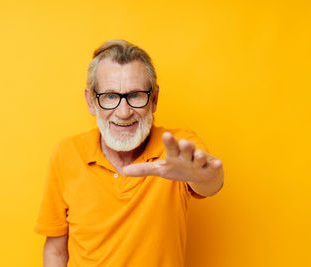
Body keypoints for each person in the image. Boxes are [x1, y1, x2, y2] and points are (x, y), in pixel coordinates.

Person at [35, 39, 224, 267]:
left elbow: (209, 181)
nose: (124, 113)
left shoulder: (176, 147)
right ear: (91, 101)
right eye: (111, 97)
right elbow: (55, 251)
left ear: (153, 99)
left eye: (135, 95)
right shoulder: (66, 154)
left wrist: (205, 176)